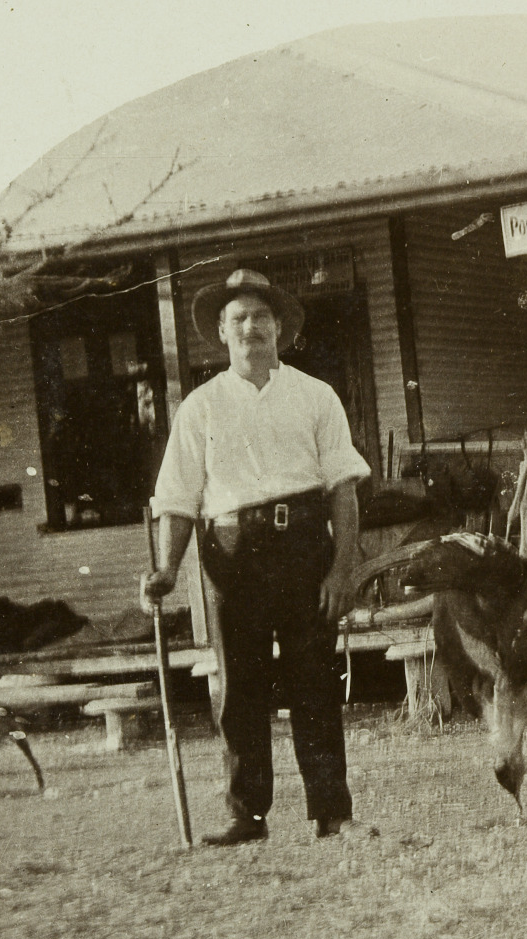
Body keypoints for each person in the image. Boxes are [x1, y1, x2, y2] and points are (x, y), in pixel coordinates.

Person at [143, 269, 370, 845]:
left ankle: (331, 810)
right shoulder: (200, 407)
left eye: (261, 317)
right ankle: (247, 814)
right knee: (240, 687)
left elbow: (343, 490)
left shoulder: (315, 396)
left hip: (303, 550)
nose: (251, 328)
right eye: (239, 318)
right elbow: (178, 499)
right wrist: (167, 569)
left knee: (313, 681)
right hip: (233, 555)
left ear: (279, 328)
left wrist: (342, 569)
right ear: (222, 332)